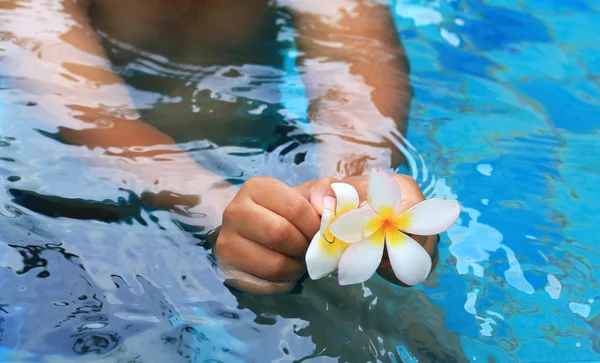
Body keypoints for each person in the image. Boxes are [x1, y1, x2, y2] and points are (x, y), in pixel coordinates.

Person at [2, 0, 439, 294]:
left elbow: (355, 56)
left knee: (390, 320)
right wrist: (214, 210)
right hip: (86, 206)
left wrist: (353, 191)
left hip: (264, 160)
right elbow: (87, 112)